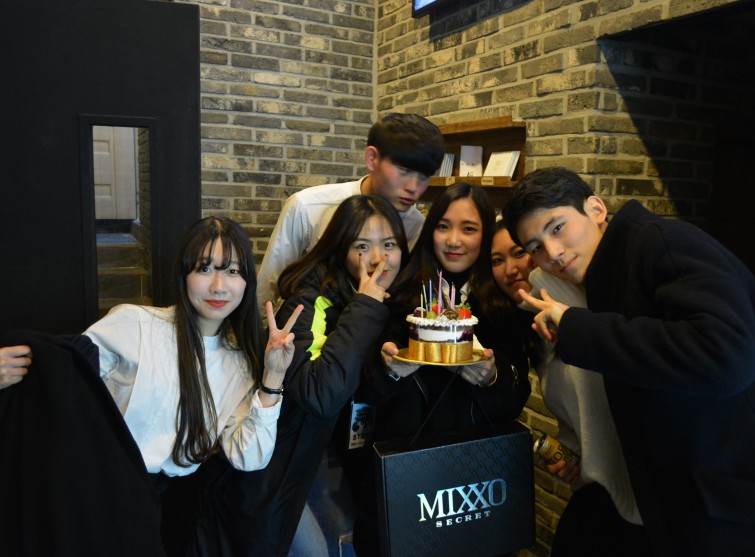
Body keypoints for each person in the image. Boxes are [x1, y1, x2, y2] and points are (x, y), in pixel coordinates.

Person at [502, 167, 755, 556]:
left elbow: (725, 355)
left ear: (595, 208)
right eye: (536, 247)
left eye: (558, 228)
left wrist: (577, 327)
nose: (553, 252)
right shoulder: (607, 277)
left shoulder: (660, 242)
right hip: (715, 509)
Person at [0, 216, 302, 555]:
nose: (219, 286)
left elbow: (249, 456)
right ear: (183, 275)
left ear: (247, 282)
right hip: (106, 494)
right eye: (204, 269)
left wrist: (273, 376)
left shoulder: (240, 365)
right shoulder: (136, 325)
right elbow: (62, 373)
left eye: (233, 271)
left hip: (175, 510)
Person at [188, 195, 409, 557]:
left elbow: (356, 384)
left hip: (316, 460)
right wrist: (366, 306)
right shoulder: (310, 302)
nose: (378, 259)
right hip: (268, 467)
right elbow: (321, 393)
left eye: (389, 245)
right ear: (340, 249)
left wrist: (389, 371)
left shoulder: (376, 301)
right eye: (362, 246)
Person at [348, 183, 532, 556]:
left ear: (485, 235)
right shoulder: (397, 295)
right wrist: (388, 370)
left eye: (469, 228)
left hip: (474, 481)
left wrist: (492, 378)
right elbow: (361, 393)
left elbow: (516, 398)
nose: (453, 240)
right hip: (403, 474)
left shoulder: (500, 306)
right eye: (443, 226)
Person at [492, 216, 650, 555]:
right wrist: (570, 455)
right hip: (598, 494)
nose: (510, 269)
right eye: (496, 260)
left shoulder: (581, 305)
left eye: (521, 252)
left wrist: (542, 277)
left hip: (647, 499)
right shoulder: (534, 333)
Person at [256, 112, 445, 319]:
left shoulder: (418, 226)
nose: (414, 187)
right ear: (372, 159)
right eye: (404, 171)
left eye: (424, 176)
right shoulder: (308, 207)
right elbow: (266, 294)